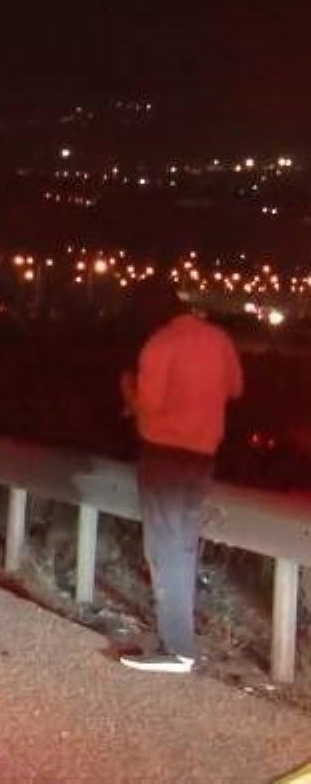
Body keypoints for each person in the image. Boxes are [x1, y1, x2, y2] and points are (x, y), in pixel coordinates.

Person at [117, 278, 243, 673]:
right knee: (183, 548)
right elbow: (236, 388)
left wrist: (129, 395)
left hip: (164, 458)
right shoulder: (218, 339)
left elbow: (150, 407)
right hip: (203, 458)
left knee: (165, 550)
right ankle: (178, 641)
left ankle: (176, 650)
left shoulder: (159, 345)